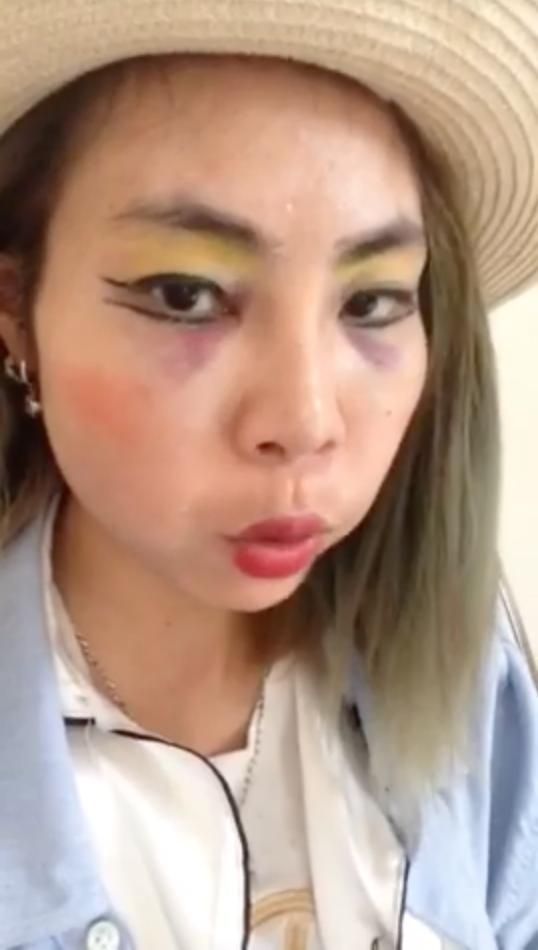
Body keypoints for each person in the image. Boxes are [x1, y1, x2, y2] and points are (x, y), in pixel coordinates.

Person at [0, 2, 536, 948]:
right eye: (184, 294)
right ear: (14, 313)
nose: (306, 422)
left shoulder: (463, 670)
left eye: (372, 302)